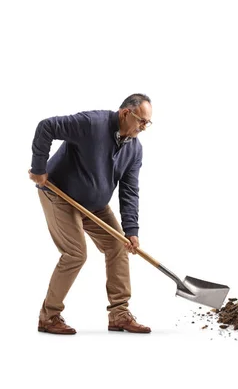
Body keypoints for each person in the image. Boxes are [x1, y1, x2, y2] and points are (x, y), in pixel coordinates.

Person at [29, 93, 153, 334]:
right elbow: (47, 126)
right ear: (126, 113)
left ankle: (119, 314)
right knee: (75, 253)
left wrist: (131, 231)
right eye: (142, 121)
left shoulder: (134, 150)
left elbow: (129, 192)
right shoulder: (92, 124)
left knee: (119, 245)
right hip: (59, 195)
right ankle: (49, 316)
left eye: (148, 123)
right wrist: (39, 167)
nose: (144, 127)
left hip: (94, 205)